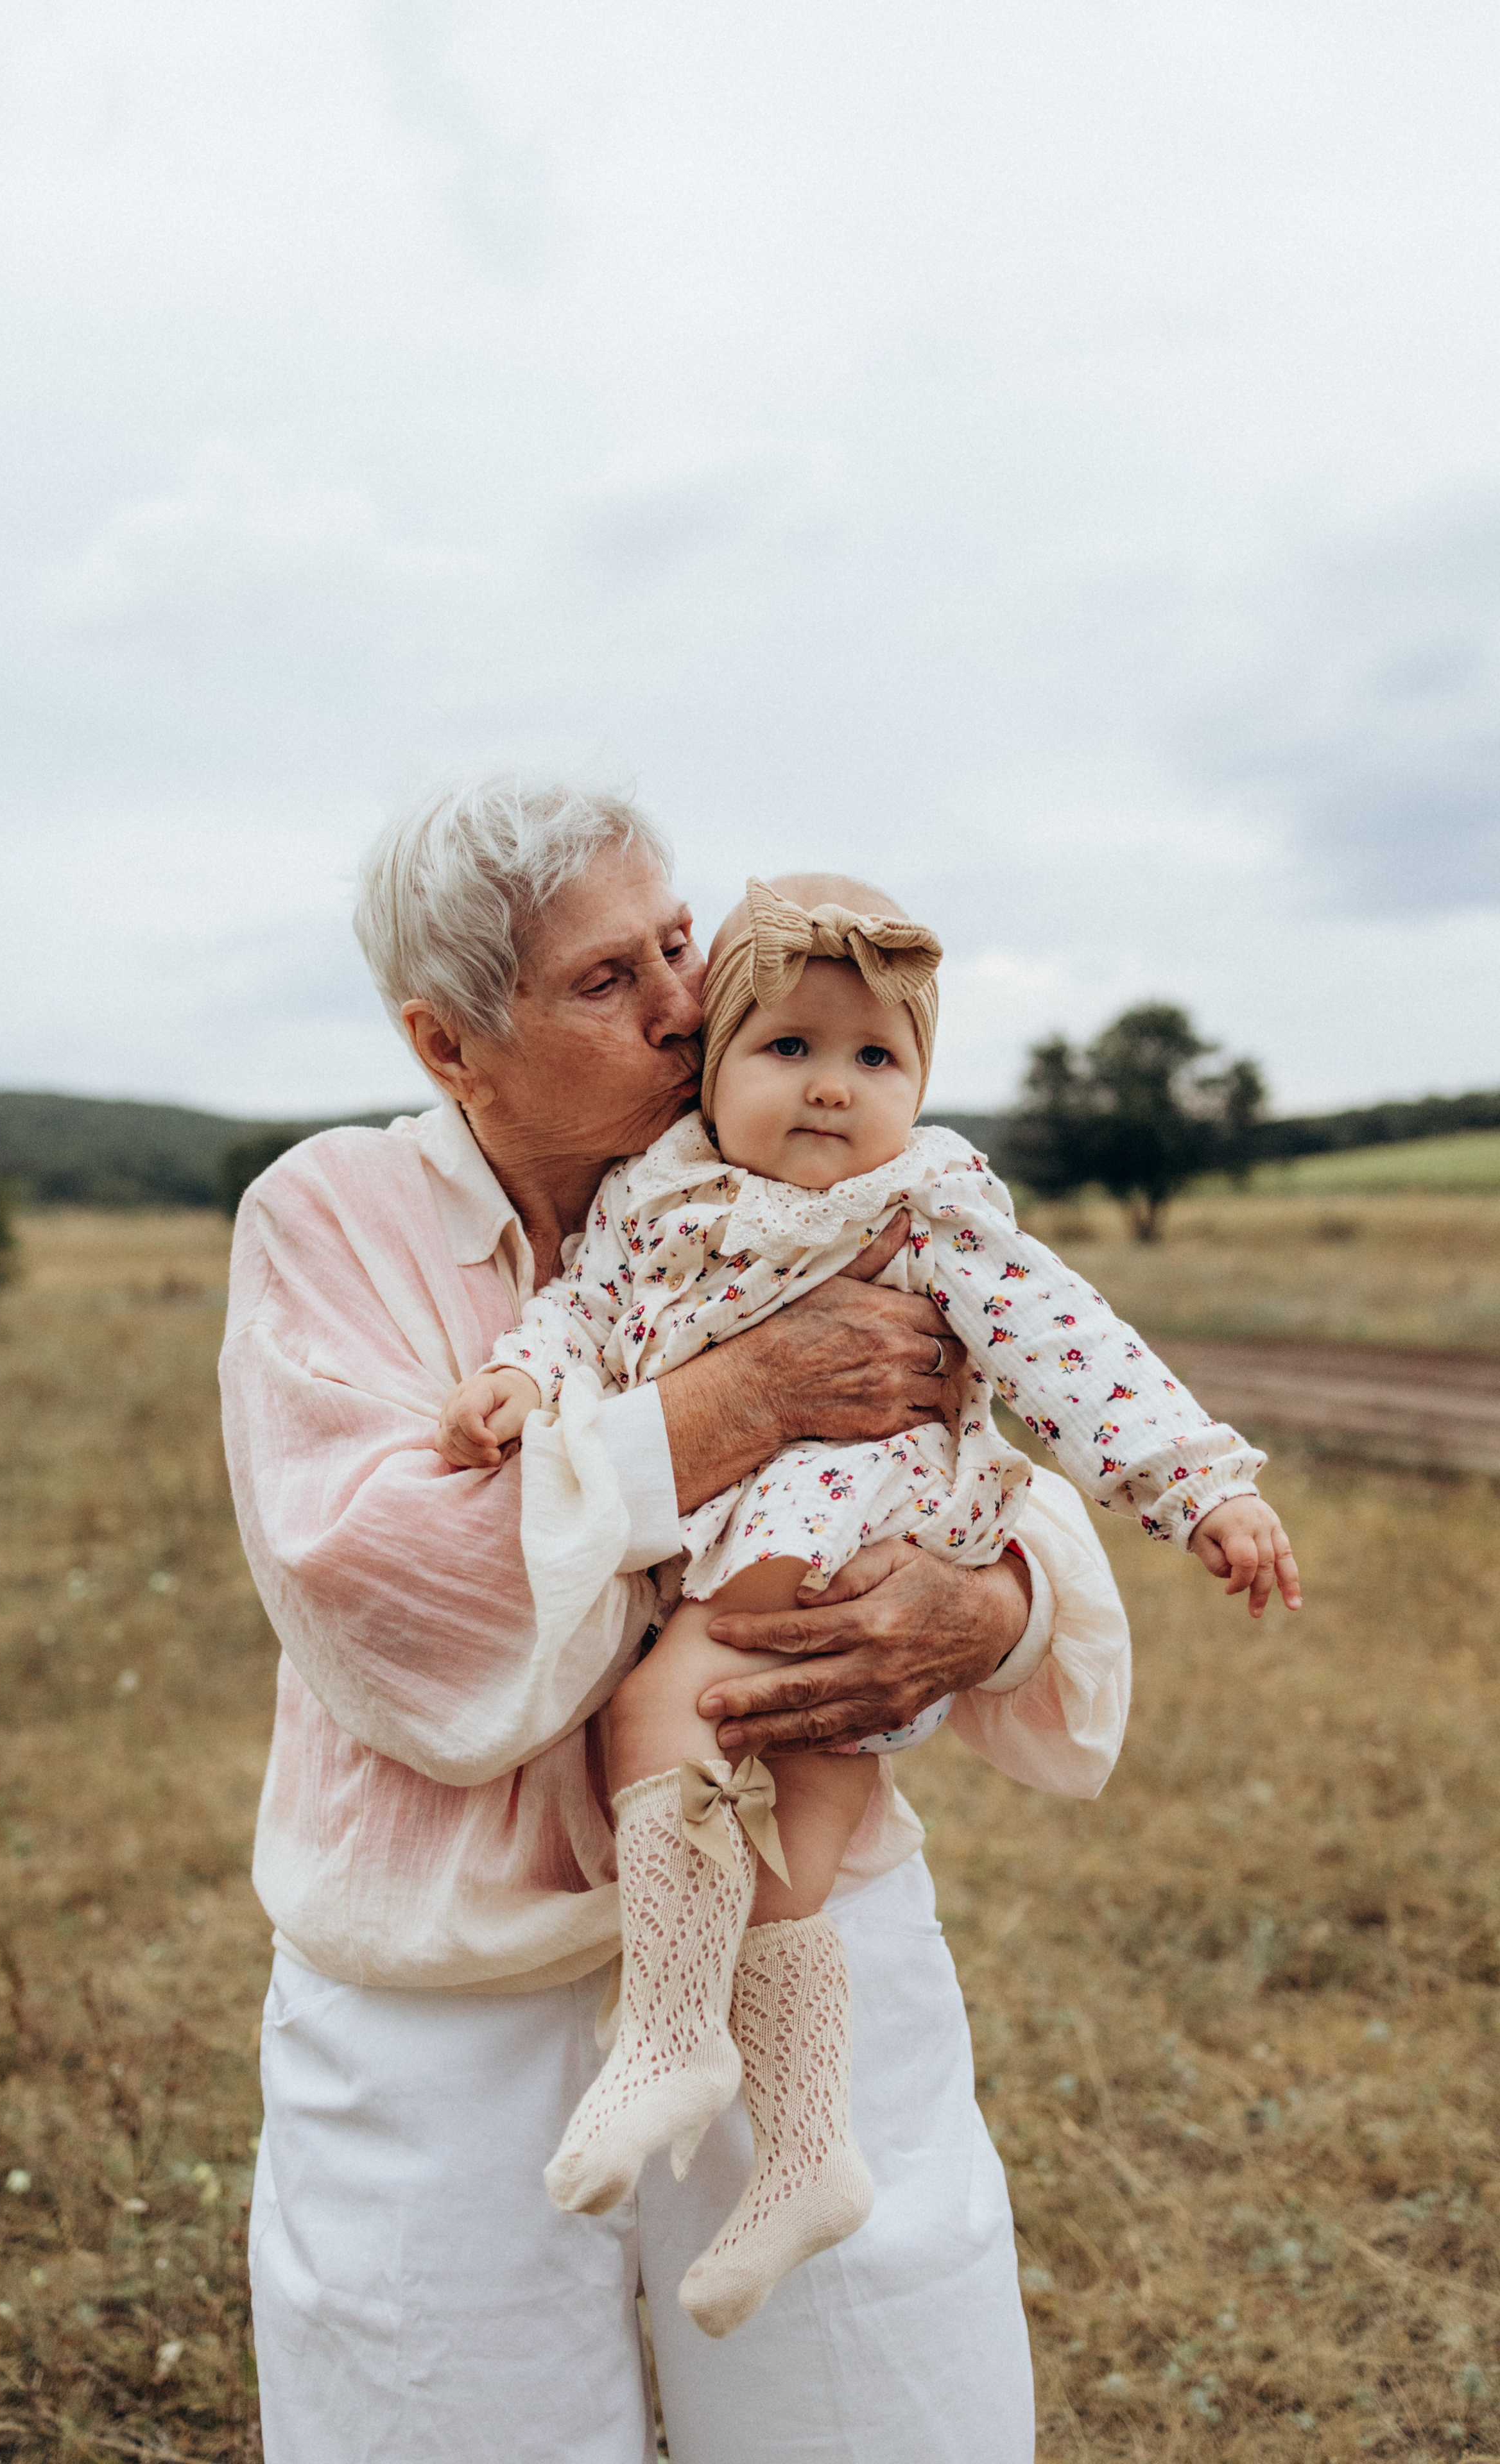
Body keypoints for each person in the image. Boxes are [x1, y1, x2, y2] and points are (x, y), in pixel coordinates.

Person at [223, 776, 1135, 2464]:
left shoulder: (821, 1176)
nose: (679, 1003)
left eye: (673, 939)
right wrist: (726, 1409)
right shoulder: (331, 1219)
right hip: (449, 2007)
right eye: (602, 981)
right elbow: (379, 1574)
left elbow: (997, 1466)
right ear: (447, 1047)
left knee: (889, 2416)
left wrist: (988, 1611)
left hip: (804, 1936)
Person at [438, 870, 1298, 2340]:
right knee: (798, 1857)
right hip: (758, 1533)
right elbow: (581, 1308)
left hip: (850, 1523)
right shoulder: (663, 1195)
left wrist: (1196, 1485)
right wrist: (527, 1378)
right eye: (786, 1049)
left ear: (920, 1083)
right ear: (710, 1068)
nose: (831, 1090)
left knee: (666, 1710)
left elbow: (1069, 1351)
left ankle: (665, 2032)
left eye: (873, 1059)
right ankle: (805, 2151)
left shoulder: (927, 1210)